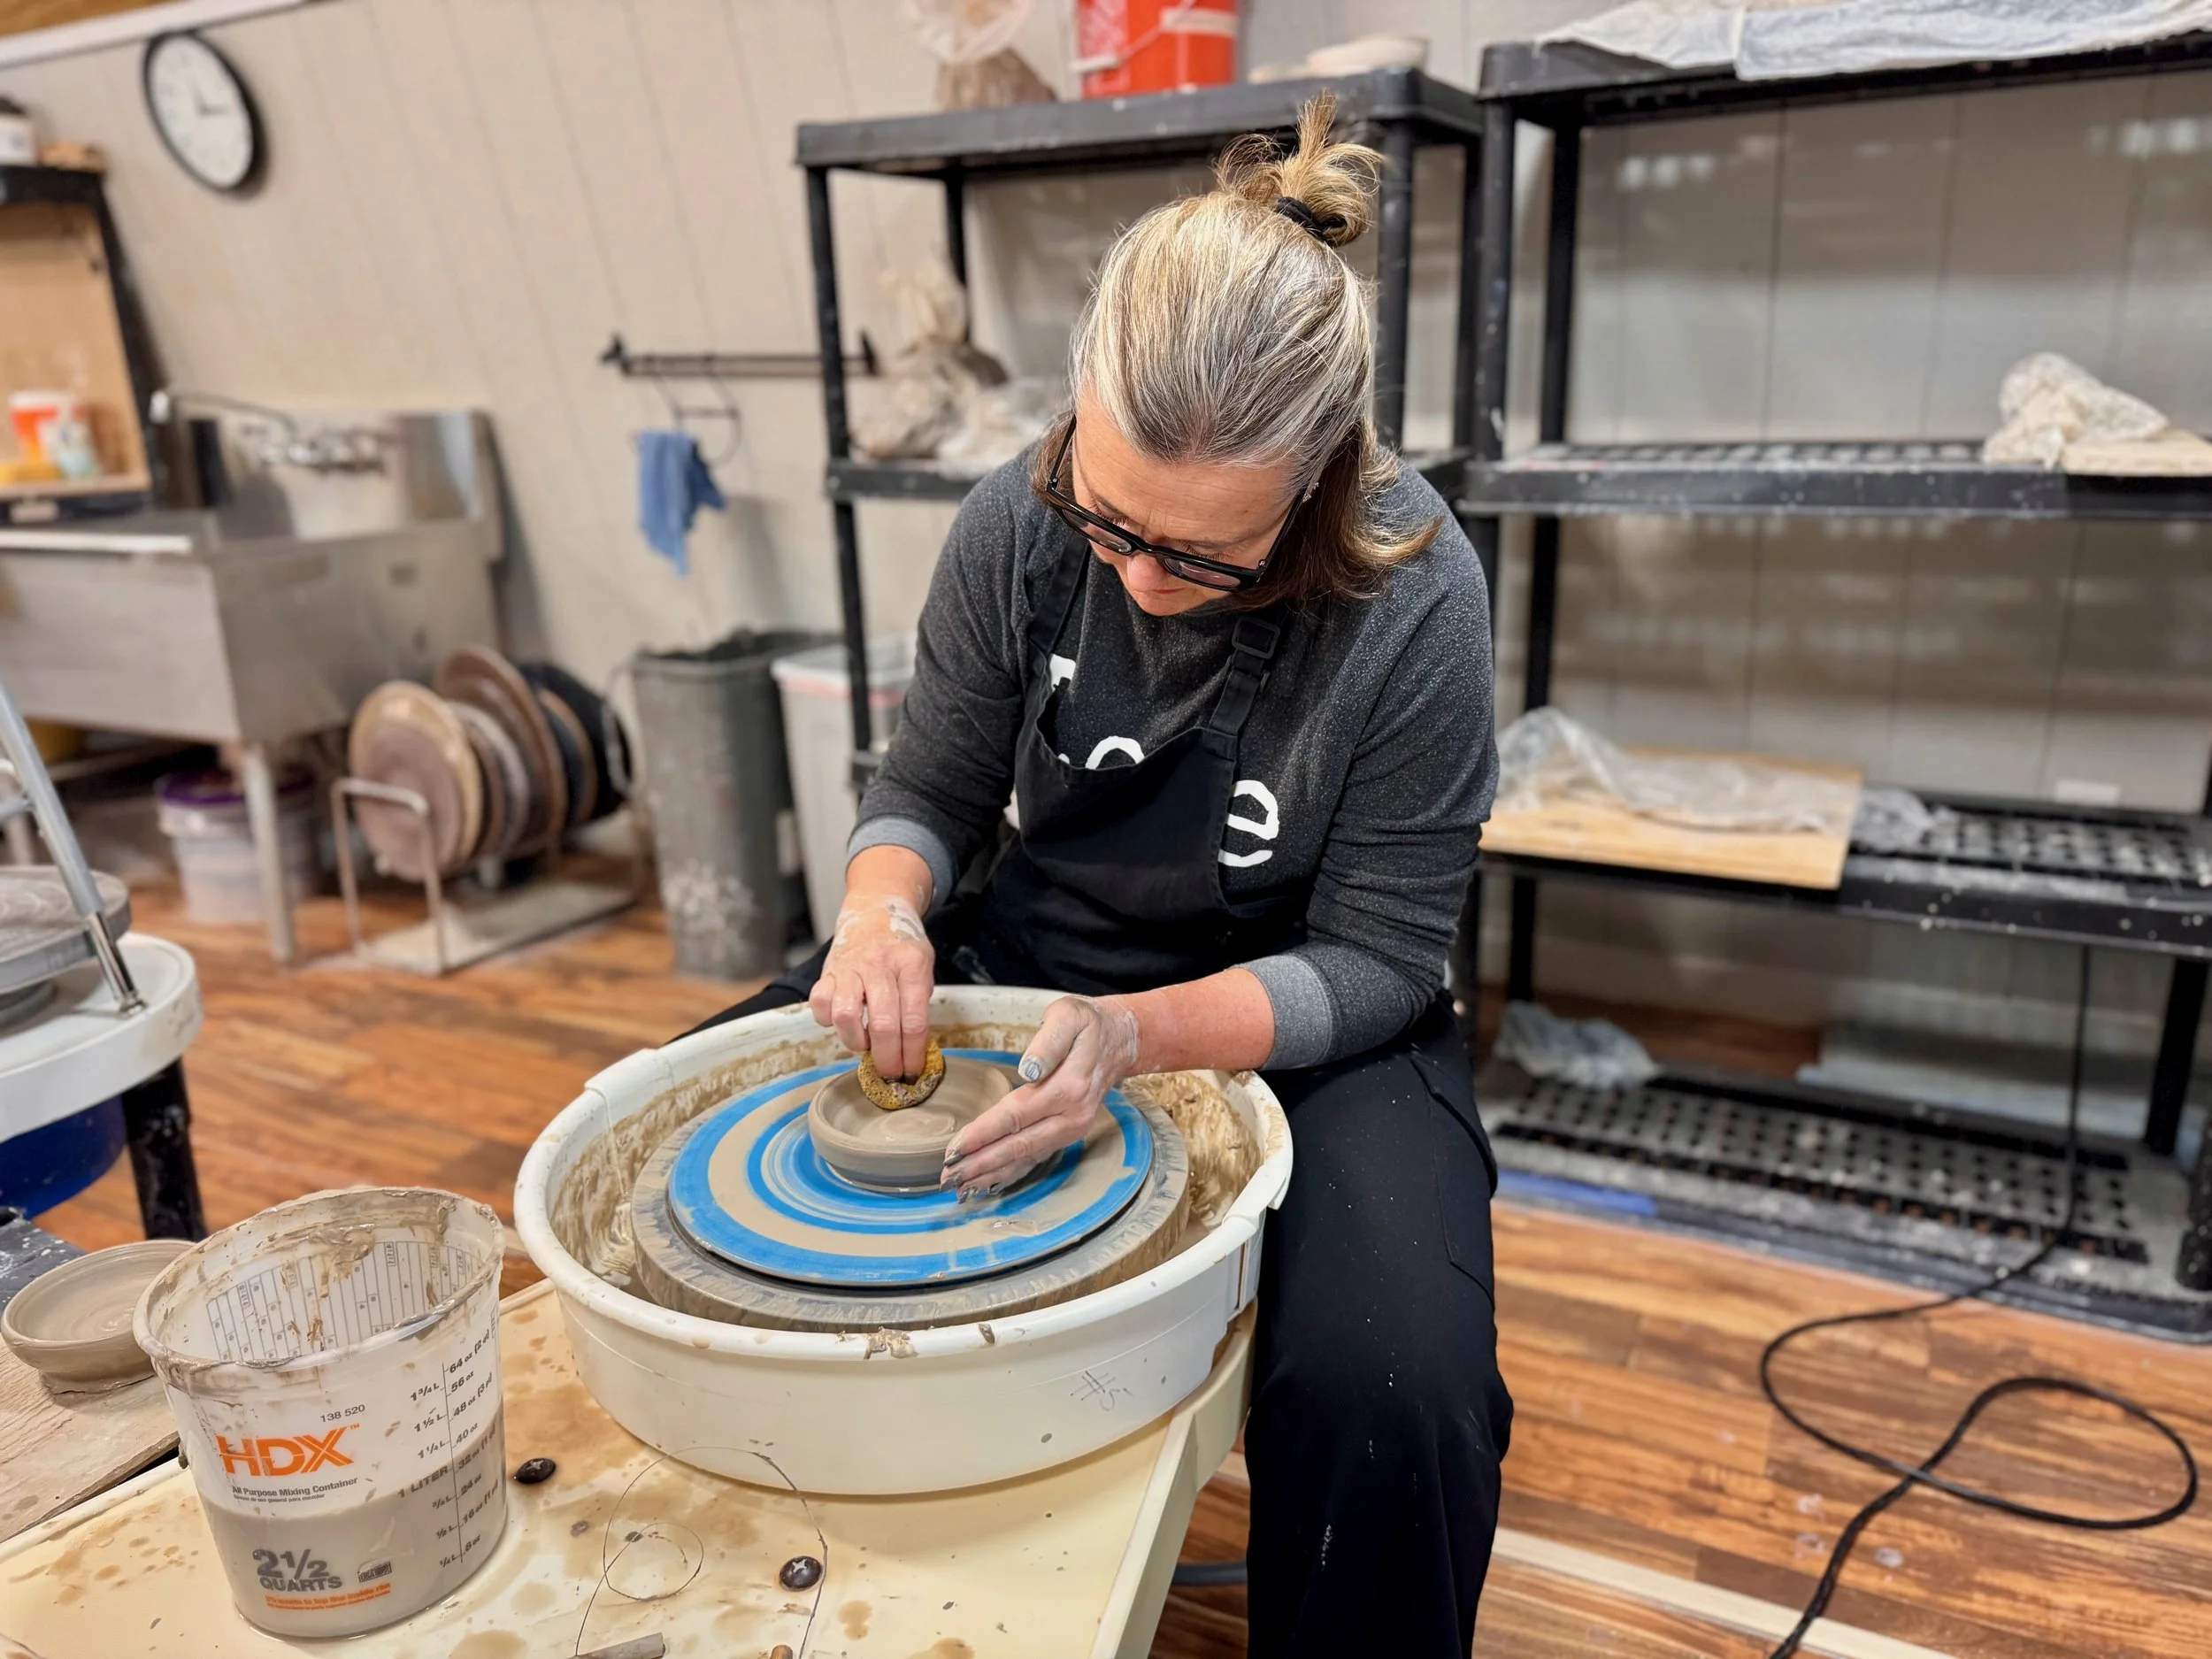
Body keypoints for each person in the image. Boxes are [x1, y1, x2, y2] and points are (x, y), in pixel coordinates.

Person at [689, 95, 1508, 1658]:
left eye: (1205, 558)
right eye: (1111, 521)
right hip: (1033, 953)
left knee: (1393, 1384)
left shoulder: (1421, 593)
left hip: (1310, 1019)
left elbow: (1386, 958)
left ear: (1322, 483)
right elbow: (927, 786)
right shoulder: (1018, 517)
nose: (1140, 582)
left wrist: (1140, 1037)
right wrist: (878, 911)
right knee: (680, 1156)